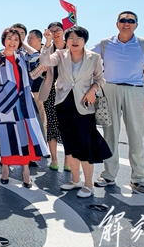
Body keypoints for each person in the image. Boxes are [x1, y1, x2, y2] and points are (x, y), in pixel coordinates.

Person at [40, 26, 111, 198]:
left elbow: (100, 79)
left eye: (79, 38)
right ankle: (75, 180)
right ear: (66, 40)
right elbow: (45, 61)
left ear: (84, 41)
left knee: (85, 145)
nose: (75, 41)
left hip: (84, 104)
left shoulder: (94, 57)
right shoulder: (60, 54)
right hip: (64, 103)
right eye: (71, 38)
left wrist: (93, 90)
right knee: (69, 144)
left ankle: (88, 184)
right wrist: (48, 42)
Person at [91, 11, 144, 194]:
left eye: (131, 21)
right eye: (123, 20)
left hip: (135, 90)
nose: (126, 23)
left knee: (136, 135)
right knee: (110, 134)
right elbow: (85, 56)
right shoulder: (105, 44)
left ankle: (138, 178)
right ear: (117, 23)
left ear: (136, 24)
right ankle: (109, 175)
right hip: (109, 89)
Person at [0, 28, 49, 189]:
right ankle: (5, 169)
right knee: (6, 136)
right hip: (5, 104)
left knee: (24, 135)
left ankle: (26, 172)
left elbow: (37, 55)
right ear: (3, 40)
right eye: (9, 38)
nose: (12, 42)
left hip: (23, 102)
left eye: (16, 39)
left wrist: (23, 44)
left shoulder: (21, 56)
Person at [38, 22, 67, 171]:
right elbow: (42, 60)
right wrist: (47, 41)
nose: (55, 33)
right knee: (52, 125)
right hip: (51, 89)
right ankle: (54, 159)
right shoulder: (48, 48)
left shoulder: (71, 46)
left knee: (68, 125)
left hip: (68, 90)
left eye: (58, 30)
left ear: (64, 31)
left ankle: (68, 161)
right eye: (52, 31)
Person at [27, 29, 48, 138]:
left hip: (41, 92)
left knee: (42, 121)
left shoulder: (45, 53)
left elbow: (33, 75)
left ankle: (43, 143)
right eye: (28, 38)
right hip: (28, 92)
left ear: (39, 40)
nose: (28, 40)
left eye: (31, 38)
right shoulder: (26, 54)